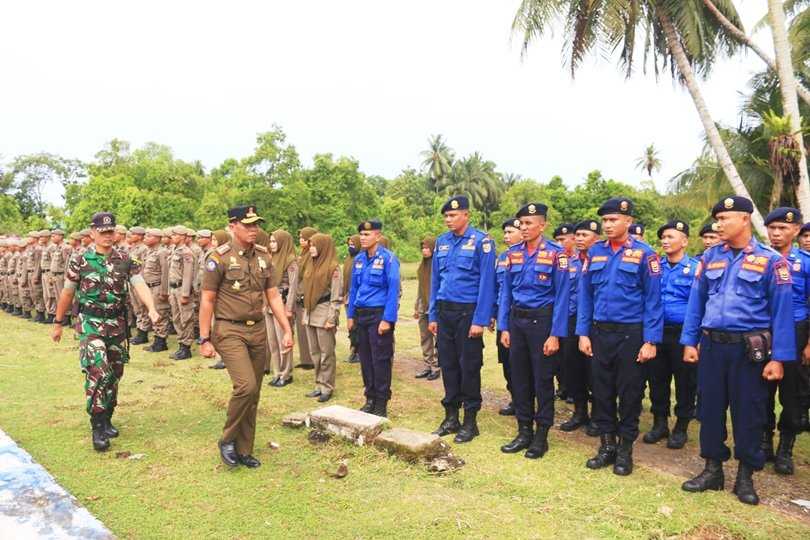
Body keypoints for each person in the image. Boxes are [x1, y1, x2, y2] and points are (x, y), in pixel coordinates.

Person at [680, 196, 796, 505]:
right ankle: (712, 469)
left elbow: (782, 313)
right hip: (713, 347)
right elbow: (697, 302)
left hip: (749, 352)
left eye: (725, 218)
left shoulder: (771, 260)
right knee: (710, 409)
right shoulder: (709, 258)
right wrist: (690, 341)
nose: (719, 224)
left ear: (744, 219)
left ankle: (746, 476)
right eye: (716, 219)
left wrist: (780, 359)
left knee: (749, 413)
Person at [51, 212, 159, 452]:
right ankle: (97, 424)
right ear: (93, 233)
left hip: (117, 324)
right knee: (98, 370)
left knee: (115, 373)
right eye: (103, 232)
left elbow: (139, 284)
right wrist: (58, 322)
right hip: (90, 323)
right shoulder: (80, 259)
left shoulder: (125, 258)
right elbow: (68, 292)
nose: (108, 236)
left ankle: (108, 414)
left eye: (111, 232)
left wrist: (151, 308)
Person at [199, 205, 293, 468]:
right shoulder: (218, 258)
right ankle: (227, 439)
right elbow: (207, 299)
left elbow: (273, 295)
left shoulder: (264, 256)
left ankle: (244, 449)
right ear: (232, 226)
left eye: (256, 224)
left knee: (254, 394)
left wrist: (286, 329)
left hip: (258, 329)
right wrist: (204, 338)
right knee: (246, 386)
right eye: (248, 224)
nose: (254, 229)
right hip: (230, 330)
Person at [577, 197, 662, 476]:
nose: (609, 224)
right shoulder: (595, 252)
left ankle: (625, 450)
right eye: (605, 220)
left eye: (614, 220)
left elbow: (653, 301)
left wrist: (651, 340)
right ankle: (606, 446)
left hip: (631, 335)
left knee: (630, 393)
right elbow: (586, 296)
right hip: (600, 333)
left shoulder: (645, 254)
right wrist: (583, 333)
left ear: (628, 222)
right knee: (601, 392)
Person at [498, 204, 570, 459]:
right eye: (521, 224)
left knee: (542, 380)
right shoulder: (513, 253)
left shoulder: (556, 254)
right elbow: (506, 291)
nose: (524, 228)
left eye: (529, 223)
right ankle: (523, 430)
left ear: (542, 225)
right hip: (517, 321)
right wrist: (504, 326)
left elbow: (562, 296)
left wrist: (555, 334)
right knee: (520, 379)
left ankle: (541, 436)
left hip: (543, 323)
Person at [429, 196, 496, 443]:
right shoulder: (441, 242)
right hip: (445, 311)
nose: (448, 220)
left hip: (469, 313)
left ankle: (470, 421)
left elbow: (487, 283)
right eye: (446, 216)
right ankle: (451, 417)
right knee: (448, 365)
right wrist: (433, 314)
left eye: (453, 215)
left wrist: (480, 319)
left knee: (469, 366)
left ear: (466, 215)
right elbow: (435, 281)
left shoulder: (482, 242)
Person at [761, 207, 809, 475]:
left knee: (791, 397)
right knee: (762, 393)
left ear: (796, 231)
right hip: (764, 332)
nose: (777, 233)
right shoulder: (759, 258)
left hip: (796, 331)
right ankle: (764, 442)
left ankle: (785, 450)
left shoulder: (806, 262)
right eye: (773, 228)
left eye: (783, 228)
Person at [643, 221, 698, 449]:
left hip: (683, 334)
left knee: (685, 382)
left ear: (684, 241)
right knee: (657, 379)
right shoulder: (655, 266)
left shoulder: (696, 268)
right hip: (657, 331)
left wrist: (694, 339)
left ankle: (681, 427)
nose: (665, 241)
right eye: (663, 237)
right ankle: (659, 423)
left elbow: (700, 305)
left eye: (671, 237)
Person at [347, 220, 401, 417]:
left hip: (379, 314)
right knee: (366, 359)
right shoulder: (359, 260)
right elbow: (354, 289)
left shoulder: (388, 259)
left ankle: (381, 402)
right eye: (361, 234)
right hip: (361, 314)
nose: (363, 238)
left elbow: (393, 290)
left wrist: (387, 319)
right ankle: (369, 397)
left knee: (381, 359)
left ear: (378, 236)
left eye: (367, 235)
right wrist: (350, 315)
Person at [560, 219, 602, 434]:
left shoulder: (601, 260)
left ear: (596, 239)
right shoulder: (570, 262)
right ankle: (579, 412)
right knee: (573, 368)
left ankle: (597, 415)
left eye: (584, 235)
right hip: (571, 320)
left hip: (596, 322)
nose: (579, 239)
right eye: (577, 235)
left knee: (594, 371)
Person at [302, 233, 342, 402]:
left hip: (324, 312)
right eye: (310, 245)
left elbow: (336, 296)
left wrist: (331, 318)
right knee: (315, 353)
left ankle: (327, 386)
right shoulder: (311, 264)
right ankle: (318, 384)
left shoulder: (333, 267)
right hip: (310, 312)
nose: (311, 248)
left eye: (314, 245)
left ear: (323, 247)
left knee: (326, 353)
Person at [495, 219, 523, 416]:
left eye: (510, 232)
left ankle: (527, 401)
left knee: (525, 363)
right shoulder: (502, 258)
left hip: (525, 318)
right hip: (504, 318)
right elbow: (497, 288)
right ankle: (515, 398)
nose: (506, 236)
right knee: (507, 362)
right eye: (504, 232)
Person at [266, 229, 298, 387]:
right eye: (270, 241)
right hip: (269, 304)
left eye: (274, 241)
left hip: (282, 302)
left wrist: (289, 307)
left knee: (283, 340)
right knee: (272, 341)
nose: (272, 244)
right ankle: (277, 372)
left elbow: (293, 286)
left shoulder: (290, 260)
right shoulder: (271, 258)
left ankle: (286, 373)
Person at [552, 223, 576, 401]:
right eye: (557, 240)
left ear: (573, 239)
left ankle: (572, 389)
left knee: (571, 355)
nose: (559, 243)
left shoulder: (580, 260)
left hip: (573, 315)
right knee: (556, 355)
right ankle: (562, 386)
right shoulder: (553, 258)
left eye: (563, 239)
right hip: (554, 313)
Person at [168, 226, 195, 360]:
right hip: (173, 288)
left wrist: (185, 293)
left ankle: (186, 347)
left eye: (175, 235)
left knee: (186, 318)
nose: (172, 237)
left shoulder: (186, 252)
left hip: (181, 289)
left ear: (182, 237)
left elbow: (188, 275)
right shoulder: (174, 250)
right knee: (177, 318)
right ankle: (181, 344)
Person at [414, 235, 439, 381]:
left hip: (435, 306)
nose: (424, 251)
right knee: (425, 337)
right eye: (422, 248)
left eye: (427, 248)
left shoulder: (438, 266)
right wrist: (417, 306)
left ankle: (436, 366)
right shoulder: (422, 266)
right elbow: (420, 287)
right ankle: (428, 364)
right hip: (423, 305)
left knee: (437, 337)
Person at [142, 229, 171, 353]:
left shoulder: (162, 252)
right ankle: (157, 338)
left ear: (157, 238)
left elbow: (165, 272)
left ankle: (161, 341)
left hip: (157, 286)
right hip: (148, 287)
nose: (145, 238)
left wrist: (164, 290)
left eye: (149, 236)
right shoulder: (149, 251)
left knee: (160, 313)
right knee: (152, 312)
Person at [295, 227, 318, 370]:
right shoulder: (302, 254)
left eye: (304, 238)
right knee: (301, 330)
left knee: (307, 329)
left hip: (306, 294)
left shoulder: (312, 255)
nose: (301, 240)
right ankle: (305, 358)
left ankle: (310, 359)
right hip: (299, 294)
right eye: (300, 238)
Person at [207, 229, 230, 370]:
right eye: (212, 240)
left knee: (223, 329)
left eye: (215, 240)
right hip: (213, 296)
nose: (213, 242)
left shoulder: (226, 257)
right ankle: (220, 356)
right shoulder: (213, 255)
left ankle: (225, 358)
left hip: (223, 298)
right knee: (214, 327)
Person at [127, 227, 151, 345]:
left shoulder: (143, 249)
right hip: (132, 280)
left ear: (140, 236)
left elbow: (144, 267)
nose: (130, 235)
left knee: (142, 308)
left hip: (139, 281)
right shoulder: (133, 248)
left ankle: (143, 332)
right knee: (137, 308)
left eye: (133, 234)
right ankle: (139, 330)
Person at [342, 234, 362, 364]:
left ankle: (359, 352)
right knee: (351, 327)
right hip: (348, 297)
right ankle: (353, 350)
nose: (351, 247)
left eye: (353, 244)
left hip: (358, 298)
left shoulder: (361, 259)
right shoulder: (348, 259)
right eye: (349, 244)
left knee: (357, 326)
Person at [48, 230, 71, 325]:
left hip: (61, 275)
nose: (52, 238)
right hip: (55, 275)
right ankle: (62, 316)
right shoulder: (56, 248)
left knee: (64, 297)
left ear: (61, 236)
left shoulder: (65, 248)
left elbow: (67, 263)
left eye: (54, 236)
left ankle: (67, 317)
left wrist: (66, 276)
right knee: (58, 297)